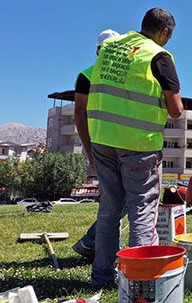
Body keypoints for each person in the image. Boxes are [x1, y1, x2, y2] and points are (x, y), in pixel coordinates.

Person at [88, 8, 183, 289]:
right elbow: (176, 110)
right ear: (164, 32)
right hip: (139, 145)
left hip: (103, 139)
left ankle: (102, 277)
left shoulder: (110, 48)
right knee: (142, 209)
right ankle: (138, 279)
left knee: (108, 211)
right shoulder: (158, 56)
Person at [71, 29, 121, 261]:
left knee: (121, 200)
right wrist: (90, 151)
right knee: (118, 200)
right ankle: (92, 244)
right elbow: (79, 116)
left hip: (122, 144)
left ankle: (93, 244)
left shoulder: (122, 74)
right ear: (99, 51)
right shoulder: (87, 76)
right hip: (103, 146)